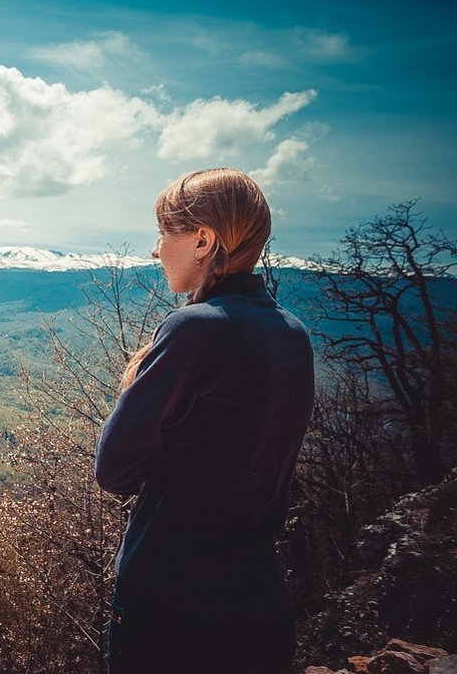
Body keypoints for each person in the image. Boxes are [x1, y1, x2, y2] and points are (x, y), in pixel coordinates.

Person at [95, 168, 314, 674]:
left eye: (164, 233)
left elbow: (114, 469)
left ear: (202, 239)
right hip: (256, 594)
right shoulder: (292, 333)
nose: (155, 250)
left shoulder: (197, 328)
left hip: (169, 594)